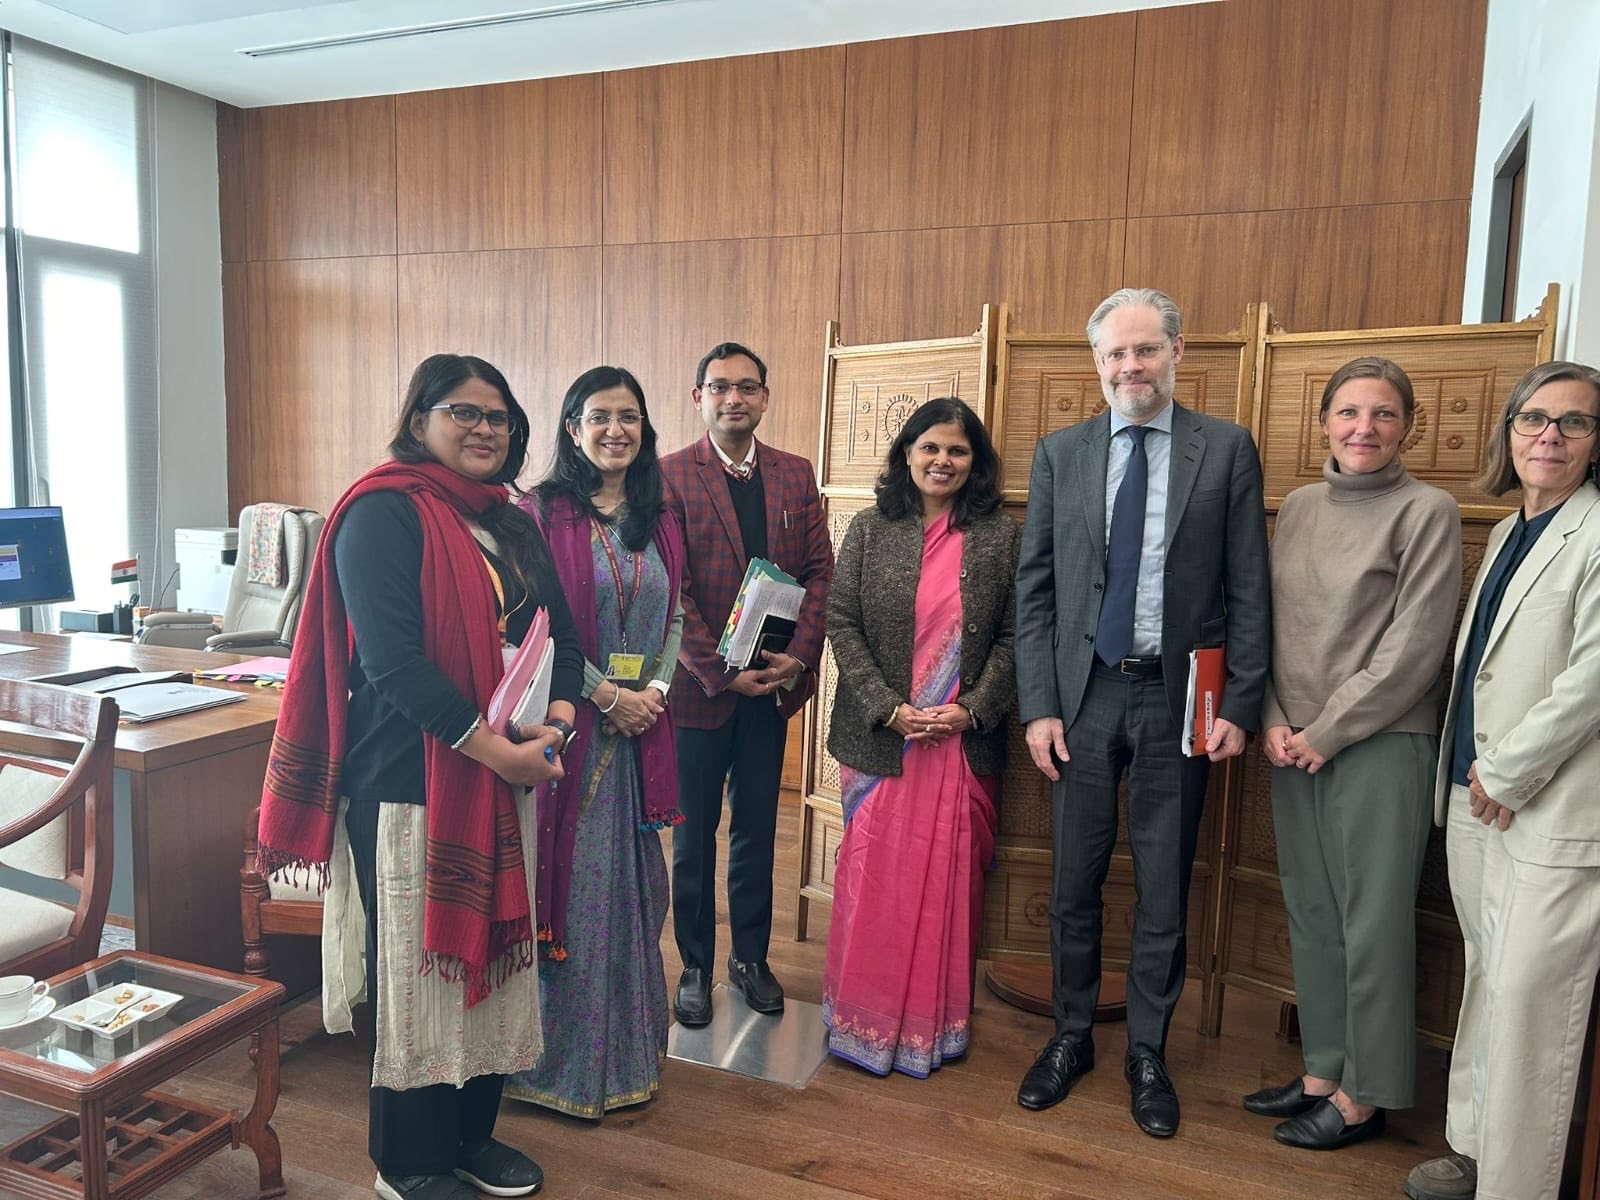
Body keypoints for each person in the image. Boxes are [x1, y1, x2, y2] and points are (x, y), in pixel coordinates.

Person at [256, 354, 582, 1200]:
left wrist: (562, 718)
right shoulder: (382, 513)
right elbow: (395, 663)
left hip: (507, 774)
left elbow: (562, 633)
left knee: (493, 966)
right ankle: (408, 1162)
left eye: (499, 417)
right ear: (421, 419)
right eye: (463, 412)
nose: (484, 429)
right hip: (410, 779)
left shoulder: (509, 520)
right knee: (420, 971)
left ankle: (471, 1136)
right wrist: (495, 745)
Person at [1012, 287, 1271, 1138]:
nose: (1130, 366)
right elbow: (1038, 590)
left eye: (1145, 350)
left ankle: (1149, 1052)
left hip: (1179, 698)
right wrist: (1040, 707)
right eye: (1115, 354)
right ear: (1097, 365)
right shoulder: (1061, 453)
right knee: (1072, 880)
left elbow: (1248, 587)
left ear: (1177, 353)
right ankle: (1072, 1035)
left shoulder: (1226, 450)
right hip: (1084, 696)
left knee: (1165, 885)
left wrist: (1237, 702)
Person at [1240, 358, 1461, 1151]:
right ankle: (1322, 1073)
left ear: (1408, 427)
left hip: (1379, 743)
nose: (1363, 428)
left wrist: (1325, 731)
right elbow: (1268, 621)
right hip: (1290, 740)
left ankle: (1366, 1095)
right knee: (1314, 913)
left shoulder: (1427, 510)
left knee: (1371, 923)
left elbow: (1415, 648)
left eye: (1383, 414)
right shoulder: (1298, 506)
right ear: (1325, 423)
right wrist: (1271, 717)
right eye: (1349, 413)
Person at [1405, 361, 1600, 1200]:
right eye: (1533, 419)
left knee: (1530, 1004)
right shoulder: (1511, 529)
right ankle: (1474, 1150)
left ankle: (1514, 1187)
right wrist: (1477, 778)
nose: (1549, 435)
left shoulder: (1593, 530)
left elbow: (1591, 678)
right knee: (1487, 976)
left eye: (1574, 422)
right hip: (1474, 796)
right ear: (1509, 433)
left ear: (1598, 443)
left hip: (1545, 805)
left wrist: (1508, 771)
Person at [505, 365, 684, 1117]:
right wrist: (606, 695)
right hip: (568, 732)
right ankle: (555, 1069)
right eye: (600, 416)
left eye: (631, 416)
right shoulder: (541, 514)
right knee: (575, 894)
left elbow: (678, 615)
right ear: (573, 427)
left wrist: (656, 695)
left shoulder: (659, 515)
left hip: (640, 736)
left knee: (636, 894)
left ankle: (627, 1058)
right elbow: (530, 625)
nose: (617, 429)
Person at [822, 396, 1017, 1077]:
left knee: (948, 886)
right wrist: (888, 708)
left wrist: (972, 708)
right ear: (906, 453)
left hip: (960, 744)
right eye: (930, 447)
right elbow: (840, 621)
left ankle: (935, 1028)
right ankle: (862, 1019)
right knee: (875, 876)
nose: (943, 460)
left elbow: (1019, 635)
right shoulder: (871, 528)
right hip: (884, 740)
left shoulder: (998, 535)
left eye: (958, 451)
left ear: (975, 463)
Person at [659, 341, 834, 1025]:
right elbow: (671, 592)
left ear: (765, 398)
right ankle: (696, 966)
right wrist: (722, 672)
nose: (735, 398)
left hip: (774, 688)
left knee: (759, 830)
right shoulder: (670, 477)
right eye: (720, 386)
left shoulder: (795, 475)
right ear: (698, 397)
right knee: (696, 836)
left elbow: (820, 570)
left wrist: (799, 655)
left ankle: (750, 959)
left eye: (748, 387)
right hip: (703, 692)